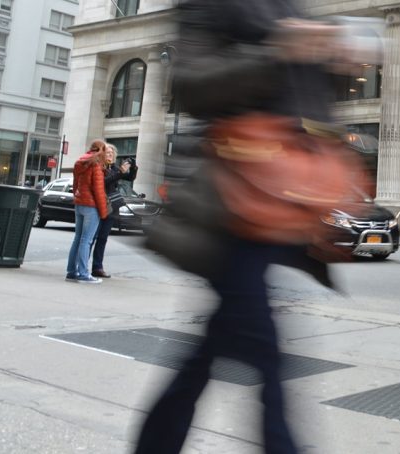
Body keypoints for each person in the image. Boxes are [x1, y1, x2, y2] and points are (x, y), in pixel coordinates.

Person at [133, 2, 369, 453]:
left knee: (210, 353)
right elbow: (192, 85)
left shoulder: (289, 5)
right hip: (231, 205)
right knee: (266, 351)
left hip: (282, 208)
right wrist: (278, 51)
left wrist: (332, 61)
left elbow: (310, 111)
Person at [90, 144, 137, 278]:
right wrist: (119, 173)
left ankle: (97, 267)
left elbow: (130, 178)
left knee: (103, 238)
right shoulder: (100, 168)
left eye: (112, 153)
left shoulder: (114, 168)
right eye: (107, 152)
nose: (110, 154)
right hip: (99, 205)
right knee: (91, 238)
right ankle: (81, 266)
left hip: (111, 208)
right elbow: (104, 182)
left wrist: (133, 167)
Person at [65, 139, 108, 284]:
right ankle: (83, 273)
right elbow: (98, 191)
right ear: (101, 149)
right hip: (91, 205)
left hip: (80, 203)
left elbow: (76, 184)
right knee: (86, 240)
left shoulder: (80, 162)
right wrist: (103, 212)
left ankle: (72, 272)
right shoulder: (95, 165)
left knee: (78, 239)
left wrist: (77, 198)